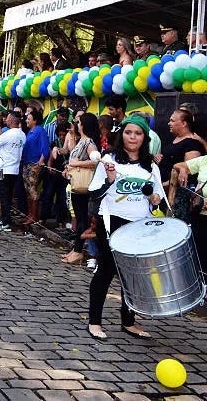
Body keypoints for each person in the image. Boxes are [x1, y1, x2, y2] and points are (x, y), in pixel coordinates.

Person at [87, 116, 163, 341]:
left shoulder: (150, 166)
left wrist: (154, 197)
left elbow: (156, 199)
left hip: (139, 225)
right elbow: (94, 194)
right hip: (112, 222)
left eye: (138, 134)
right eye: (129, 132)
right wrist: (110, 180)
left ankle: (128, 322)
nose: (133, 137)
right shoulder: (109, 160)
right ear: (122, 135)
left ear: (144, 138)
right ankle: (94, 322)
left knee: (133, 274)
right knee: (107, 270)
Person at [62, 113, 100, 264]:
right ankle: (75, 249)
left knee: (83, 219)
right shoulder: (81, 141)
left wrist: (76, 164)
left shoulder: (89, 143)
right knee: (79, 217)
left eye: (79, 123)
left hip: (84, 186)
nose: (77, 125)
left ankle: (78, 251)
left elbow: (96, 162)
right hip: (76, 184)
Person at [158, 108, 204, 220]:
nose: (169, 123)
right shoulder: (176, 139)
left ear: (183, 123)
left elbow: (187, 174)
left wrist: (163, 186)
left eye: (172, 121)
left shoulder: (192, 143)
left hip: (177, 197)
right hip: (163, 193)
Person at [0, 111, 25, 231]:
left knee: (3, 196)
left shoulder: (8, 134)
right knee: (8, 196)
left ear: (10, 120)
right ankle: (4, 220)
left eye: (7, 118)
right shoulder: (22, 135)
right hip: (14, 170)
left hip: (4, 168)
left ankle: (5, 222)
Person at [21, 109, 49, 224]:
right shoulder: (30, 131)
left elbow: (45, 147)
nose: (27, 120)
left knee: (32, 189)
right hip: (27, 163)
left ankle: (34, 216)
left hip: (35, 163)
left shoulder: (40, 130)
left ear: (35, 120)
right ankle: (30, 214)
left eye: (29, 119)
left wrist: (41, 161)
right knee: (27, 189)